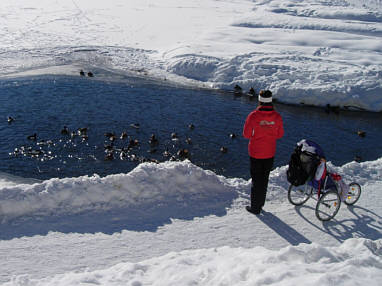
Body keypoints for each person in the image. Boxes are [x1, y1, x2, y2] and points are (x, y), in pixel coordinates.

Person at [243, 90, 284, 214]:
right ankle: (260, 203)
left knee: (256, 179)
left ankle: (255, 207)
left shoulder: (253, 116)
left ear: (260, 100)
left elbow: (246, 134)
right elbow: (280, 134)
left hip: (256, 152)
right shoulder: (277, 116)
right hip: (270, 152)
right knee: (264, 179)